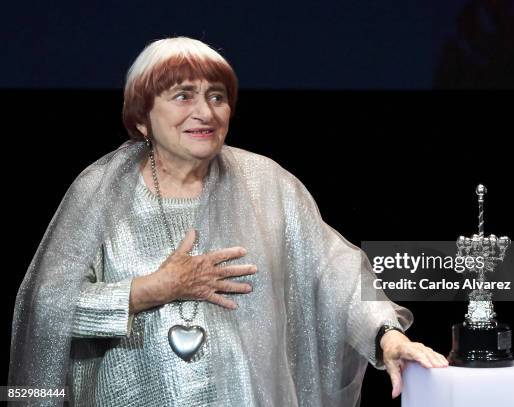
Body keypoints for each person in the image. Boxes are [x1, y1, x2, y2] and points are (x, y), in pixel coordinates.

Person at [9, 36, 447, 407]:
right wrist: (150, 291)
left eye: (217, 96)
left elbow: (334, 273)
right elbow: (46, 308)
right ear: (142, 116)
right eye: (183, 95)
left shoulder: (266, 183)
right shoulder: (100, 191)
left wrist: (387, 336)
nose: (206, 112)